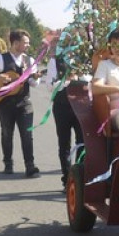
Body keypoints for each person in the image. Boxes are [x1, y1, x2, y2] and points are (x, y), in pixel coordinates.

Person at [0, 29, 42, 177]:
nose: (28, 46)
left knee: (27, 134)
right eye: (26, 43)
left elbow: (33, 83)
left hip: (24, 103)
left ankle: (30, 166)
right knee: (7, 133)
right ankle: (8, 163)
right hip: (5, 103)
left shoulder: (29, 61)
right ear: (16, 43)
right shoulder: (0, 59)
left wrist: (35, 77)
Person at [46, 33, 83, 190]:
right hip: (62, 106)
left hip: (81, 106)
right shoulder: (54, 61)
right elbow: (49, 85)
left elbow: (90, 79)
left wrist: (78, 78)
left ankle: (81, 177)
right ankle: (67, 179)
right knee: (64, 143)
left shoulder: (83, 61)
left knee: (82, 142)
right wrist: (66, 81)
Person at [92, 28, 119, 136]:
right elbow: (95, 87)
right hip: (118, 111)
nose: (117, 47)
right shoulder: (105, 65)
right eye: (113, 44)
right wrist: (118, 89)